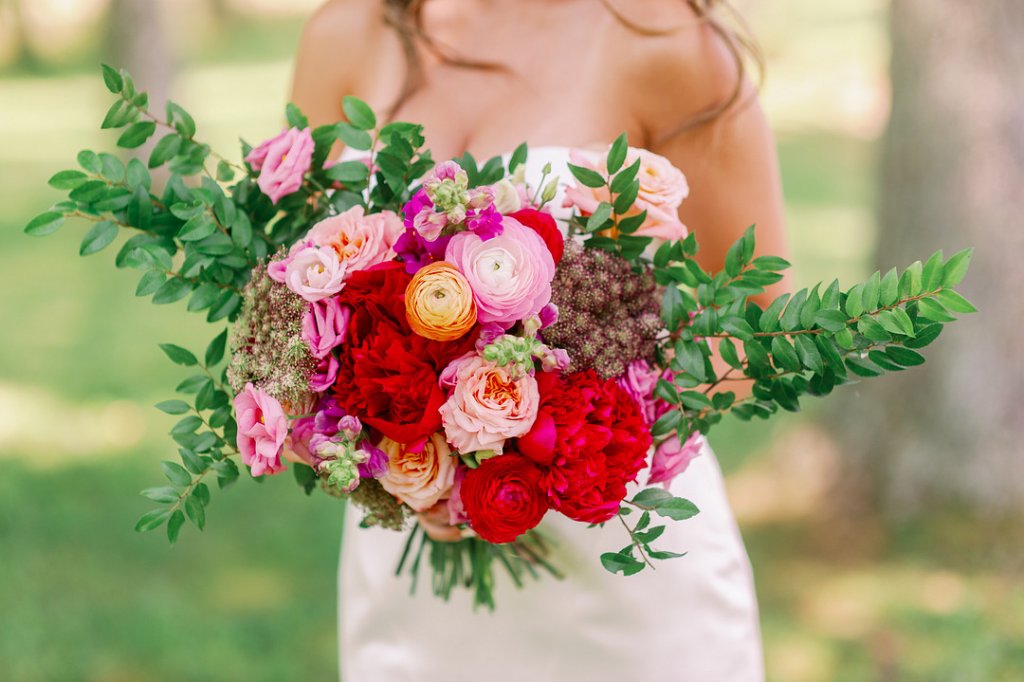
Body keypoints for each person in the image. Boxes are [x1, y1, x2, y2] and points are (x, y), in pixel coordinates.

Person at [290, 1, 789, 679]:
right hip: (408, 590)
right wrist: (413, 449)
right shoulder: (345, 33)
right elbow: (301, 291)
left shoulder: (668, 43)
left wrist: (554, 431)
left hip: (622, 575)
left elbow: (753, 333)